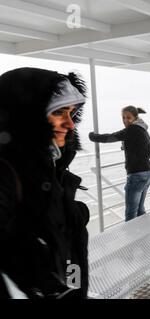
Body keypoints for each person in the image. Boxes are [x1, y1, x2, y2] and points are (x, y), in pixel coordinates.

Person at [0, 67, 90, 298]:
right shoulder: (6, 175)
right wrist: (51, 289)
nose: (70, 124)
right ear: (28, 115)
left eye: (72, 112)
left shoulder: (49, 165)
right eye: (60, 112)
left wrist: (73, 214)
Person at [89, 106, 150, 222]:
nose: (125, 120)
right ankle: (144, 236)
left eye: (128, 118)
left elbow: (110, 137)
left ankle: (133, 239)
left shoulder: (131, 129)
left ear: (135, 117)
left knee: (130, 214)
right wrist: (131, 144)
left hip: (136, 175)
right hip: (148, 174)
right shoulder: (143, 129)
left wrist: (93, 136)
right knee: (140, 210)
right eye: (123, 118)